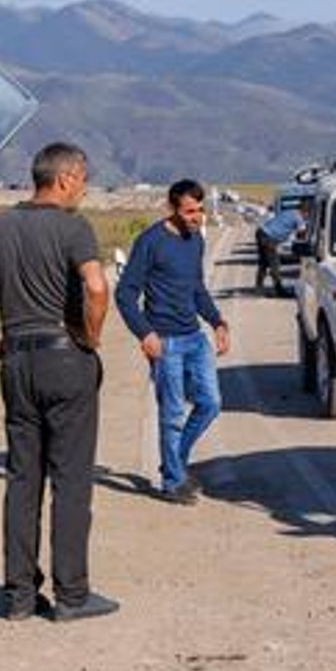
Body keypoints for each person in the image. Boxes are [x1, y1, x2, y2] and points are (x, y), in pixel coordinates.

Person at [0, 142, 119, 622]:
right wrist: (90, 335)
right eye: (83, 179)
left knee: (23, 479)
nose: (85, 188)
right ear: (64, 178)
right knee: (71, 481)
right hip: (65, 358)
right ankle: (72, 594)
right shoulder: (73, 227)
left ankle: (19, 594)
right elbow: (98, 287)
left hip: (16, 362)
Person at [115, 179, 230, 505]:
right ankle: (173, 482)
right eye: (190, 211)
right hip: (165, 342)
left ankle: (174, 462)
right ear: (172, 209)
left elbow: (197, 288)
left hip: (194, 337)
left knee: (211, 403)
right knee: (172, 413)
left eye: (200, 210)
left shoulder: (196, 240)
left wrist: (218, 321)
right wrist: (145, 333)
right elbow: (125, 294)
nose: (197, 217)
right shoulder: (150, 242)